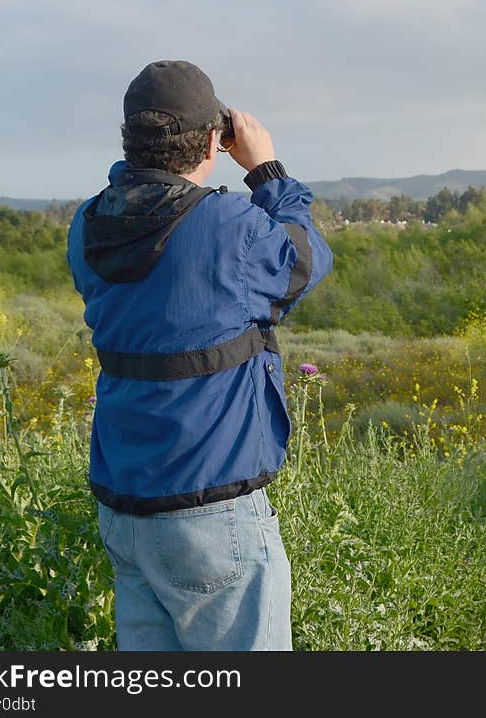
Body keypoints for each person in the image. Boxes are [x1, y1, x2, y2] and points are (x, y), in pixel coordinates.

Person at [66, 60, 333, 651]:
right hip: (213, 514)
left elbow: (143, 209)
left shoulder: (87, 226)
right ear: (214, 139)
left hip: (126, 511)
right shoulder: (227, 226)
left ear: (130, 139)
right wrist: (266, 169)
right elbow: (306, 259)